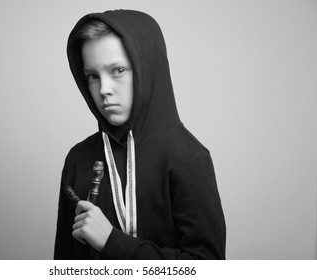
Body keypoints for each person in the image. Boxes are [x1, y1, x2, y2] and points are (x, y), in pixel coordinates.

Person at [54, 9, 226, 259]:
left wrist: (112, 242)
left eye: (118, 71)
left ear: (146, 68)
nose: (104, 89)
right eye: (92, 76)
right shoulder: (78, 158)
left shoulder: (188, 158)